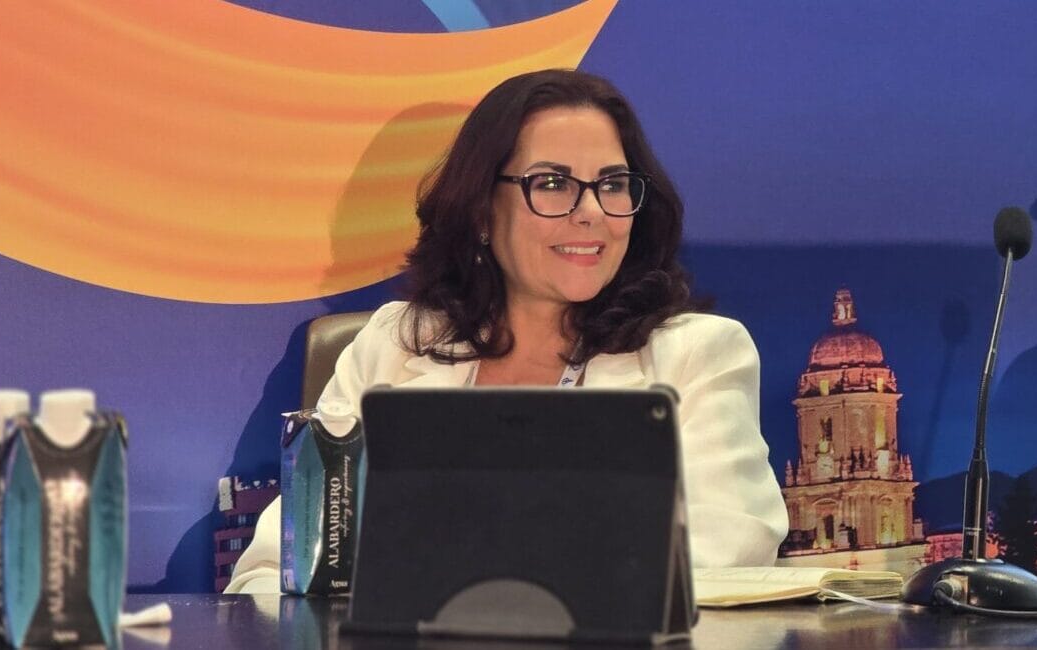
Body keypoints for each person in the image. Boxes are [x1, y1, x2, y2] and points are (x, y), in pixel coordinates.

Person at [225, 69, 788, 594]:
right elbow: (273, 572)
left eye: (612, 183)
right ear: (479, 211)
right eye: (552, 183)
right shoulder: (394, 342)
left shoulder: (699, 352)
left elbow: (727, 553)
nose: (591, 211)